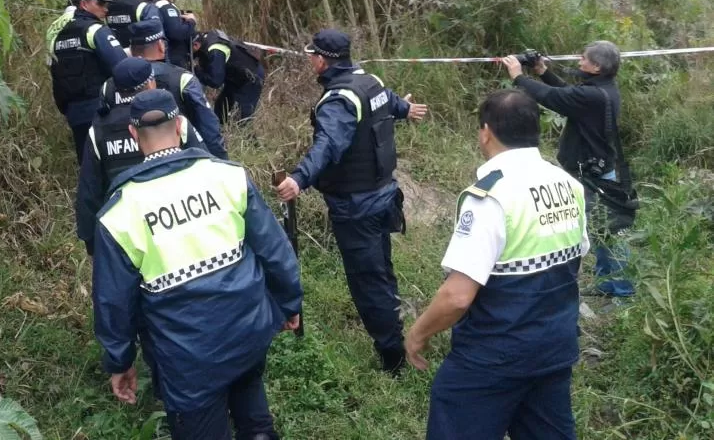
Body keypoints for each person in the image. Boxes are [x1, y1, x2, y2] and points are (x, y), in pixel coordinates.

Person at [93, 89, 303, 440]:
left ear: (133, 136)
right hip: (248, 329)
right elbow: (274, 249)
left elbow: (114, 301)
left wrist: (120, 361)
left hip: (186, 357)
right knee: (253, 412)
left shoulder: (119, 212)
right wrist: (288, 301)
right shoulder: (228, 176)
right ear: (179, 126)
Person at [405, 89, 589, 440]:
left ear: (486, 132)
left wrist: (418, 333)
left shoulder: (490, 196)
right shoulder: (569, 184)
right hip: (555, 346)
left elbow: (457, 296)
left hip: (494, 356)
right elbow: (573, 259)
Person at [274, 29, 428, 374]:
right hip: (383, 195)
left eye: (312, 55)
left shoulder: (338, 100)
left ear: (322, 60)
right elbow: (388, 101)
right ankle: (395, 328)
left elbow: (328, 145)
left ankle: (394, 358)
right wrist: (406, 109)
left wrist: (298, 179)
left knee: (368, 281)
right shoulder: (368, 81)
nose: (311, 61)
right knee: (381, 272)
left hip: (357, 206)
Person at [502, 41, 635, 297]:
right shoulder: (600, 89)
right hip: (595, 171)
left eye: (583, 58)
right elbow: (567, 95)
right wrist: (543, 72)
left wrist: (519, 77)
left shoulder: (593, 95)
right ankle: (607, 285)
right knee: (601, 231)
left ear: (596, 66)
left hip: (595, 176)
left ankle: (623, 293)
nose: (578, 62)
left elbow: (554, 98)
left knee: (610, 234)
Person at [76, 57, 208, 255]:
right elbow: (205, 168)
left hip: (129, 227)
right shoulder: (173, 120)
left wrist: (90, 240)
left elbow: (89, 189)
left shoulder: (99, 129)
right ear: (151, 84)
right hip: (178, 218)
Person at [102, 21, 228, 159]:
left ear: (131, 49)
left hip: (122, 168)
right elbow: (209, 127)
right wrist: (221, 160)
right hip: (176, 162)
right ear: (161, 46)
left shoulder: (109, 85)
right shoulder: (183, 79)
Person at [49, 0, 127, 163]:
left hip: (74, 111)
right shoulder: (95, 30)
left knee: (87, 165)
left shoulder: (56, 33)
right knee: (112, 164)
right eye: (100, 4)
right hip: (101, 108)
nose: (106, 9)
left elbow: (55, 71)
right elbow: (122, 66)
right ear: (84, 3)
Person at [193, 29, 265, 125]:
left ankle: (248, 139)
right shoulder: (205, 39)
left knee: (242, 118)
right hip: (235, 76)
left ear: (196, 45)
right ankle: (221, 135)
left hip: (251, 78)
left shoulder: (215, 51)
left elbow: (216, 81)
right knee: (221, 109)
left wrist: (197, 72)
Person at [149, 0, 196, 69]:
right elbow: (177, 33)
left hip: (148, 56)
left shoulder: (144, 4)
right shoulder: (165, 5)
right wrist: (191, 22)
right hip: (171, 59)